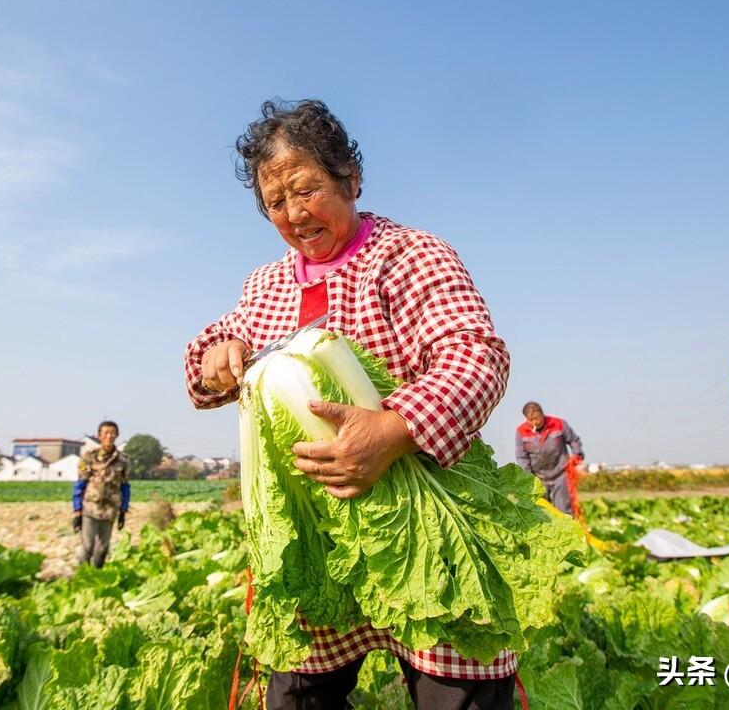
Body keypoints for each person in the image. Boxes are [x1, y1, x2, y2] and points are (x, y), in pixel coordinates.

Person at [183, 100, 512, 710]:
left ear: (351, 179)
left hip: (421, 513)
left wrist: (394, 428)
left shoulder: (410, 254)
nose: (294, 213)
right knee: (296, 698)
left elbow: (476, 355)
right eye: (276, 203)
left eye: (308, 190)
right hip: (312, 535)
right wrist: (215, 356)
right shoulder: (267, 283)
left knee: (458, 687)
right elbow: (209, 356)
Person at [73, 420, 130, 569]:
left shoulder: (122, 460)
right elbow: (80, 484)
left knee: (102, 549)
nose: (109, 436)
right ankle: (82, 577)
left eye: (112, 433)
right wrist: (77, 510)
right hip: (90, 508)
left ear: (117, 435)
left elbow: (125, 486)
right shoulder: (89, 456)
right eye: (106, 433)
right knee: (87, 547)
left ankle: (97, 577)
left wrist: (123, 510)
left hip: (110, 510)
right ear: (99, 436)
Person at [515, 401, 585, 515]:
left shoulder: (559, 424)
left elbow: (574, 440)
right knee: (542, 513)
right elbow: (521, 457)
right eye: (530, 420)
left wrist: (577, 455)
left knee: (564, 512)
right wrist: (528, 476)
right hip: (538, 478)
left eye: (537, 418)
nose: (534, 422)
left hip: (560, 475)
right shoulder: (521, 431)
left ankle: (568, 532)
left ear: (543, 414)